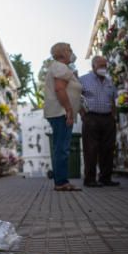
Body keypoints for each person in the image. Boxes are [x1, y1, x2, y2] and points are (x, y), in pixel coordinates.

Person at [43, 42, 82, 191]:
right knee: (62, 148)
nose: (72, 52)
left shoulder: (59, 68)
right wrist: (69, 110)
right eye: (69, 50)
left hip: (60, 112)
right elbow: (60, 89)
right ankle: (61, 182)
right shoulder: (60, 67)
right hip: (61, 113)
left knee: (60, 147)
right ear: (63, 53)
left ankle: (61, 181)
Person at [79, 56, 120, 187]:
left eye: (105, 65)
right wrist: (83, 115)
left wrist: (113, 116)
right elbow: (77, 98)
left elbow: (114, 100)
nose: (103, 68)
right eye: (100, 66)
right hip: (91, 118)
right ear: (93, 67)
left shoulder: (109, 81)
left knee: (108, 149)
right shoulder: (84, 80)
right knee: (91, 149)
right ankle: (90, 179)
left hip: (108, 118)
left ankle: (105, 178)